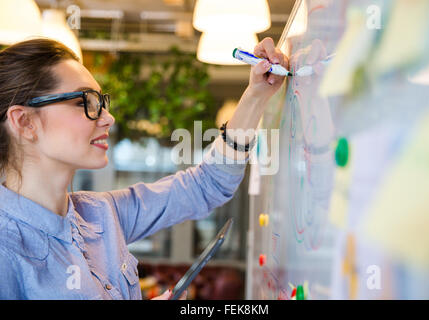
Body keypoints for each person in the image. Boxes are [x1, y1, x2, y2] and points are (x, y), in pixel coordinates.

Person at [0, 37, 289, 300]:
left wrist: (256, 95)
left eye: (102, 102)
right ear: (25, 122)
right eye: (83, 102)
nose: (108, 118)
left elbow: (207, 185)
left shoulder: (101, 213)